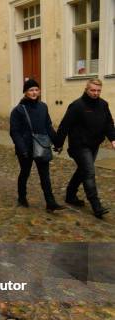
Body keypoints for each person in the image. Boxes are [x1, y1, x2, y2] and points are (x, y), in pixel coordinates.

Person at [56, 79, 115, 219]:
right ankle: (96, 206)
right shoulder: (77, 106)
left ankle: (70, 194)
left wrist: (113, 138)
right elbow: (64, 126)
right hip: (79, 145)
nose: (96, 93)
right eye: (93, 90)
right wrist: (58, 143)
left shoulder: (103, 104)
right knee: (88, 172)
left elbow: (108, 123)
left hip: (94, 144)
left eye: (98, 91)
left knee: (83, 170)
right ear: (86, 89)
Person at [9, 79, 64, 212]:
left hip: (41, 146)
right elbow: (14, 132)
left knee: (45, 175)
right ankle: (22, 197)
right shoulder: (18, 110)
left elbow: (48, 126)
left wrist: (57, 142)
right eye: (31, 90)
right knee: (25, 173)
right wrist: (22, 149)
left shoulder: (43, 107)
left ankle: (50, 203)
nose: (34, 92)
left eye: (36, 90)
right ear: (25, 92)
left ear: (39, 91)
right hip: (26, 149)